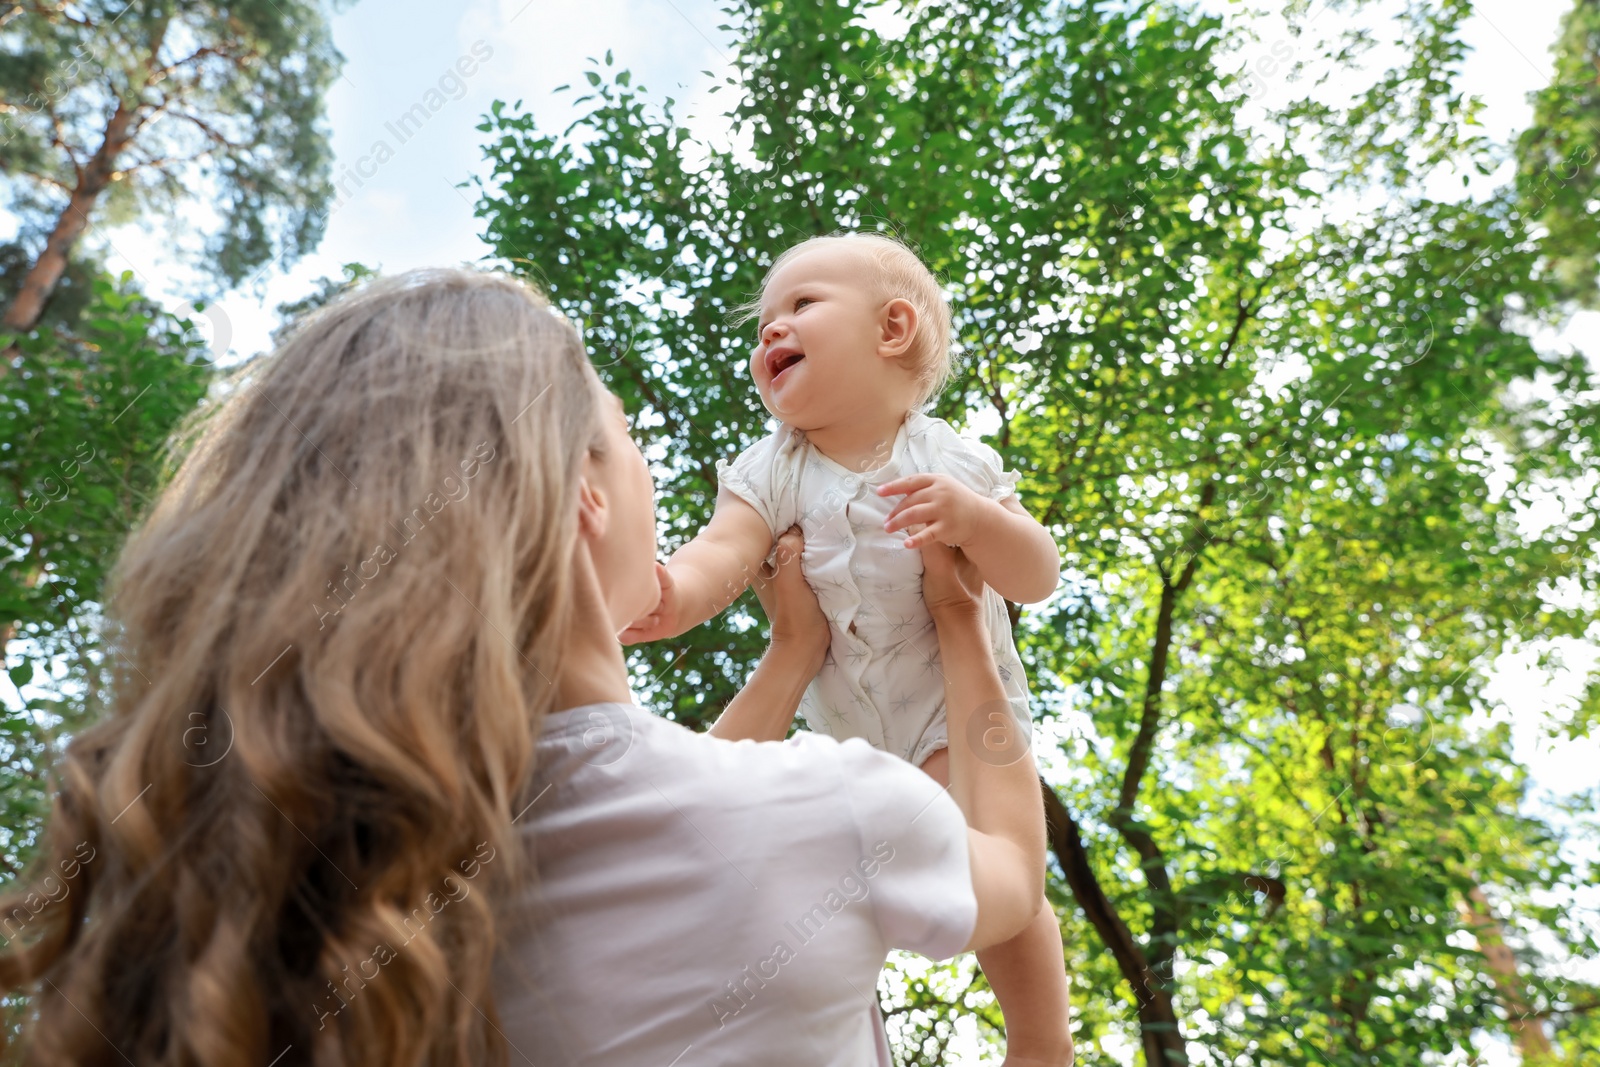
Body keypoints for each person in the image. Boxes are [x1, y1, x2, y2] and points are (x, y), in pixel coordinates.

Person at [0, 268, 1059, 1067]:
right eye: (626, 434)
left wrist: (790, 654)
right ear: (584, 494)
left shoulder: (328, 889)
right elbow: (1009, 866)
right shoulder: (826, 814)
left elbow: (645, 794)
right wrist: (961, 628)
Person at [621, 233, 1073, 1062]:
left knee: (992, 858)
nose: (769, 333)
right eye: (762, 324)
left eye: (798, 307)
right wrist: (672, 595)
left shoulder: (947, 457)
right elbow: (723, 554)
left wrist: (977, 521)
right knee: (831, 889)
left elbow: (1036, 573)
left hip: (957, 717)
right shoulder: (769, 469)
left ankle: (1041, 1040)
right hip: (851, 740)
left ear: (892, 328)